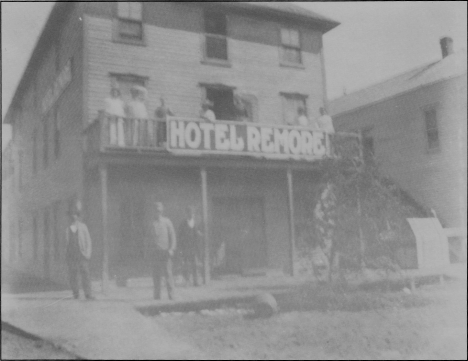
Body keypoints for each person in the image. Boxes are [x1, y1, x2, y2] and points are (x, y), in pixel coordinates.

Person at [65, 203, 94, 300]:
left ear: (77, 216)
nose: (73, 216)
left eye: (75, 214)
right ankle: (75, 293)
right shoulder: (67, 228)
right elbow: (65, 243)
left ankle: (88, 294)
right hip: (71, 255)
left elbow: (88, 241)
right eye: (71, 214)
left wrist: (87, 254)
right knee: (73, 275)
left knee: (85, 274)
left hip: (82, 255)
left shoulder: (83, 227)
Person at [150, 202, 177, 300]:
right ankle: (157, 297)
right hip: (155, 252)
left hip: (166, 252)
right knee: (156, 275)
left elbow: (173, 236)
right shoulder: (152, 223)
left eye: (159, 211)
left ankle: (172, 296)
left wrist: (172, 249)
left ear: (162, 211)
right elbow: (148, 238)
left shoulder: (167, 222)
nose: (158, 213)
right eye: (156, 211)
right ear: (154, 212)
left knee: (168, 274)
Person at [178, 206, 202, 287]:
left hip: (194, 248)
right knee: (186, 265)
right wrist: (180, 249)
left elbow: (197, 236)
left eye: (193, 213)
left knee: (195, 264)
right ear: (187, 214)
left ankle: (196, 281)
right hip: (185, 248)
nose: (192, 215)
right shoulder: (183, 224)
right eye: (190, 213)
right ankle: (187, 281)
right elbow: (180, 237)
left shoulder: (195, 223)